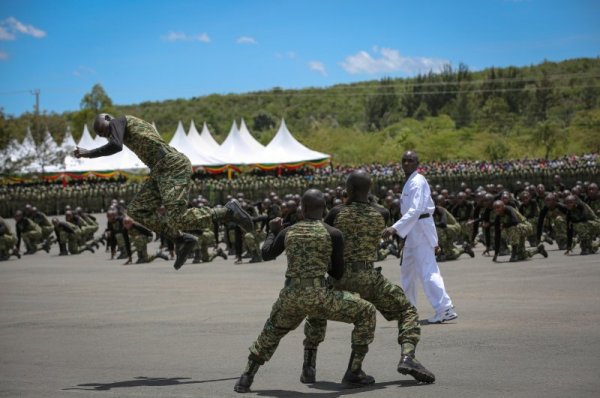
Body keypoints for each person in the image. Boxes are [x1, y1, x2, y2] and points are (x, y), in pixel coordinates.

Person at [234, 189, 377, 392]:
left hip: (291, 296)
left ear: (302, 209)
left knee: (271, 332)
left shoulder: (288, 231)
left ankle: (246, 377)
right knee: (366, 311)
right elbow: (337, 272)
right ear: (324, 208)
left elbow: (266, 253)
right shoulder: (333, 234)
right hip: (320, 296)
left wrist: (272, 231)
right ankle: (353, 371)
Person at [304, 170, 435, 385]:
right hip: (368, 277)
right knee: (407, 311)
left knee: (317, 310)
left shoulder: (337, 212)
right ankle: (406, 357)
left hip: (339, 275)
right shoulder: (382, 214)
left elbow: (323, 237)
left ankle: (309, 363)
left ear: (349, 189)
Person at [74, 113, 253, 270]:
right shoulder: (123, 128)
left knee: (177, 216)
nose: (104, 135)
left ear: (108, 119)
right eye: (101, 135)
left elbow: (116, 145)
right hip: (159, 170)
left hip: (171, 164)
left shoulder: (119, 121)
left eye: (103, 130)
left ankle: (228, 211)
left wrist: (88, 153)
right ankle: (181, 239)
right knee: (136, 210)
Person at [383, 150, 457, 324]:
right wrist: (402, 232)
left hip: (421, 229)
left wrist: (395, 228)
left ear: (417, 163)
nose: (406, 163)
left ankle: (444, 308)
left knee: (428, 271)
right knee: (406, 272)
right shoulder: (409, 182)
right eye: (404, 160)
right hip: (411, 232)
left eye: (410, 160)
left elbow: (416, 210)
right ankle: (409, 310)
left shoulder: (418, 181)